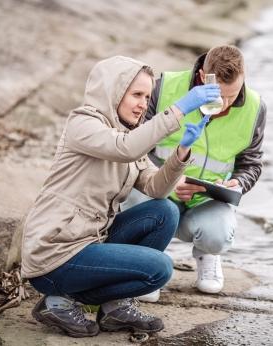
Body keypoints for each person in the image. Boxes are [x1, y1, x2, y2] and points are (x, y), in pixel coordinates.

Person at [20, 55, 220, 338]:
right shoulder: (83, 124)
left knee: (165, 212)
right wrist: (180, 108)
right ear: (113, 91)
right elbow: (124, 149)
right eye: (136, 94)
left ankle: (115, 307)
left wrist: (182, 152)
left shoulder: (129, 134)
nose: (142, 104)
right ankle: (59, 301)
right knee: (159, 270)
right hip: (55, 253)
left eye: (147, 96)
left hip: (91, 241)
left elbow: (156, 188)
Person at [122, 45, 266, 297]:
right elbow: (133, 144)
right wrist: (168, 178)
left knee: (218, 235)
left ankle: (208, 255)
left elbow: (251, 163)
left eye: (233, 95)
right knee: (131, 196)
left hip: (207, 201)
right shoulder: (162, 87)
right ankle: (147, 260)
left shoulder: (255, 106)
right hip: (155, 191)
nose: (225, 104)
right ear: (202, 77)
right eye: (220, 96)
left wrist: (238, 183)